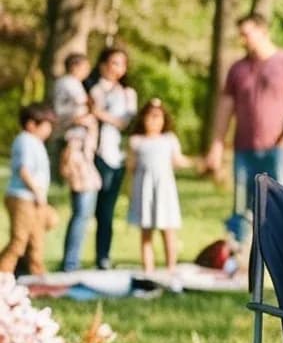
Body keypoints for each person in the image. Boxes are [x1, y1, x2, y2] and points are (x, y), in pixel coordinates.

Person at [205, 14, 283, 249]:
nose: (242, 40)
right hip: (244, 150)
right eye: (240, 35)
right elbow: (225, 109)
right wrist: (217, 145)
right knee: (242, 206)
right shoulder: (237, 69)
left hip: (278, 149)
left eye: (246, 34)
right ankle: (242, 255)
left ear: (263, 32)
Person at [87, 46, 137, 269]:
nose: (119, 68)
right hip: (94, 153)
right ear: (103, 64)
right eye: (114, 63)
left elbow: (125, 122)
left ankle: (103, 256)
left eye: (122, 64)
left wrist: (99, 113)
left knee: (107, 210)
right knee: (89, 209)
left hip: (116, 155)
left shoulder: (127, 94)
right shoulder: (92, 88)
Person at [127, 98, 187, 273]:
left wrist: (199, 163)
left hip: (164, 190)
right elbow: (131, 166)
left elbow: (178, 160)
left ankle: (171, 268)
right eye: (150, 117)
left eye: (158, 117)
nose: (154, 121)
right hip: (144, 190)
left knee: (168, 230)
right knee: (146, 232)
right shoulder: (136, 141)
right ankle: (148, 270)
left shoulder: (169, 139)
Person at [0, 104, 55, 277]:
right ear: (32, 124)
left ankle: (34, 275)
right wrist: (37, 191)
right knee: (19, 241)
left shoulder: (35, 142)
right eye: (46, 125)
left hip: (33, 198)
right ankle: (3, 276)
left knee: (38, 236)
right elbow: (24, 170)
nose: (49, 129)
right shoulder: (25, 140)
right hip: (23, 197)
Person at [57, 108, 102, 275]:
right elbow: (71, 156)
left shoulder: (85, 131)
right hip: (82, 179)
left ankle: (72, 261)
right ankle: (70, 263)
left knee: (82, 218)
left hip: (87, 178)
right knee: (80, 218)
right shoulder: (76, 134)